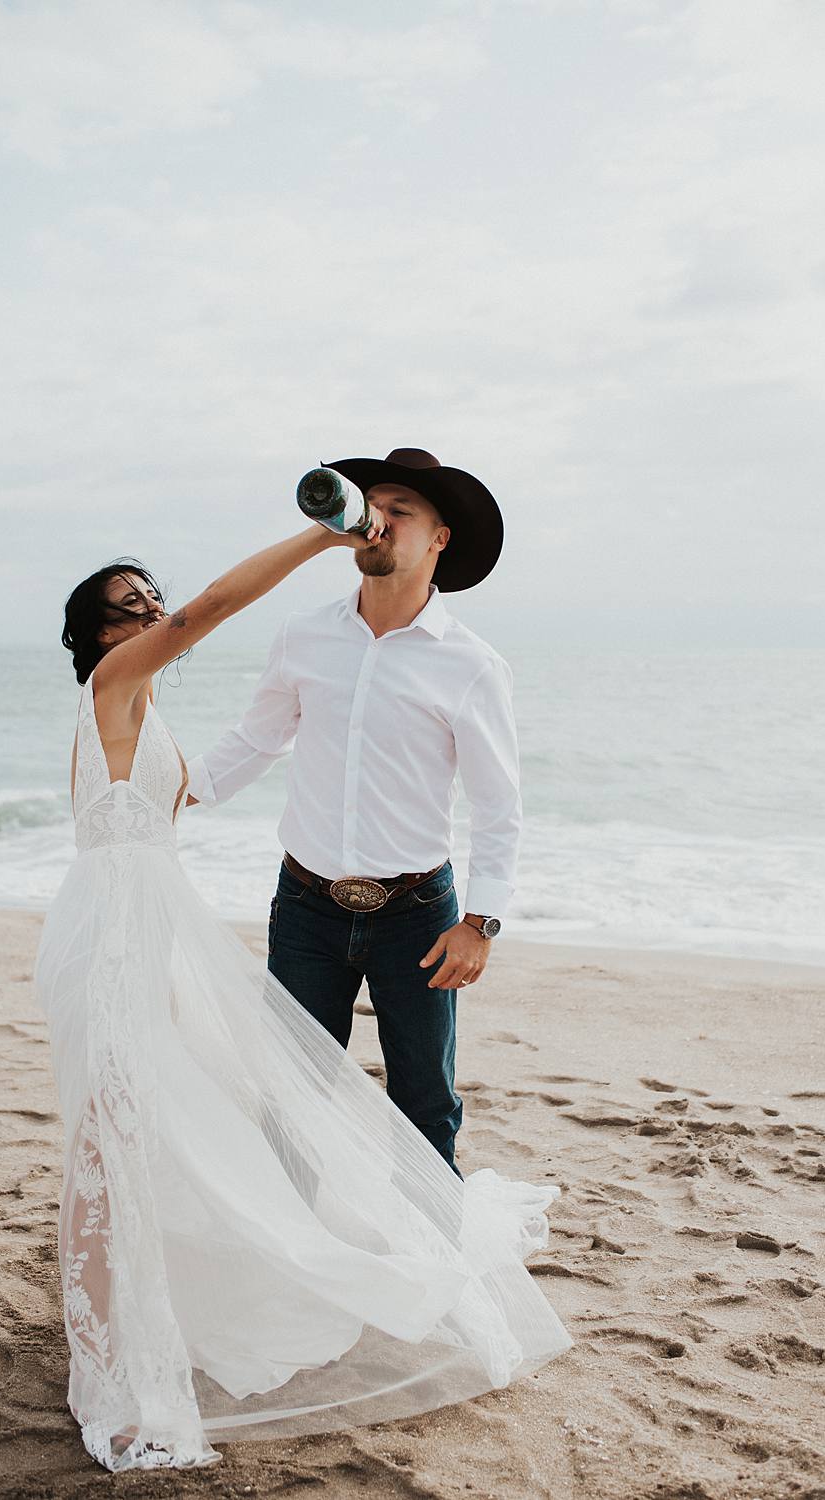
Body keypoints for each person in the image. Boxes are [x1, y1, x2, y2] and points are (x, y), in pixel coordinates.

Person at [35, 498, 572, 1476]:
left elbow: (203, 776)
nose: (149, 608)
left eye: (148, 594)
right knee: (115, 1132)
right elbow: (208, 622)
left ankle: (168, 1301)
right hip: (121, 933)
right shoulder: (119, 680)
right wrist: (320, 537)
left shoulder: (143, 704)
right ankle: (112, 1348)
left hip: (194, 926)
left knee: (168, 1120)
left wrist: (480, 917)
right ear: (94, 637)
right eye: (125, 603)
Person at [188, 448, 519, 1176]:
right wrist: (171, 793)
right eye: (373, 506)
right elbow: (256, 738)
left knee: (424, 1103)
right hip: (305, 907)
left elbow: (498, 808)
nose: (379, 521)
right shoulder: (304, 635)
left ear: (438, 538)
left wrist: (480, 923)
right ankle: (295, 1262)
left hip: (418, 917)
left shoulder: (470, 664)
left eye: (400, 511)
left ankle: (432, 1272)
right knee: (289, 1096)